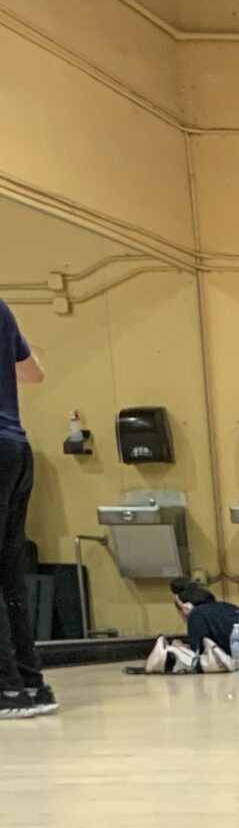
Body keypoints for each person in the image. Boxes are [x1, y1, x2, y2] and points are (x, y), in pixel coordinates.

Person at [0, 294, 53, 722]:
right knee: (10, 572)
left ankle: (6, 688)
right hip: (16, 449)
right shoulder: (1, 308)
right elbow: (34, 372)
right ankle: (32, 683)